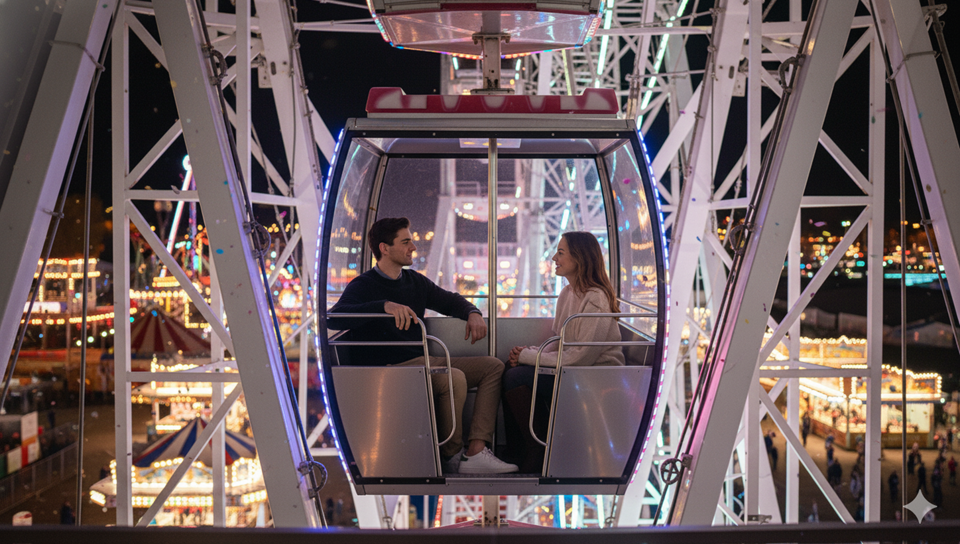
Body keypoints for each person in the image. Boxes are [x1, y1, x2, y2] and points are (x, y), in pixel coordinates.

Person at [328, 217, 517, 474]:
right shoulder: (364, 285)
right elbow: (334, 317)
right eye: (405, 242)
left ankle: (476, 450)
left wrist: (472, 312)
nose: (413, 247)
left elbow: (449, 300)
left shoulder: (414, 281)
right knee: (453, 378)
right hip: (390, 368)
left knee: (492, 367)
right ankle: (452, 455)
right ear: (384, 248)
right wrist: (383, 306)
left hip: (422, 362)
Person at [501, 232, 625, 473]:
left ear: (579, 257)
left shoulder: (596, 299)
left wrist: (529, 357)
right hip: (573, 371)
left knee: (517, 377)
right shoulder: (567, 293)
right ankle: (520, 449)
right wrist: (528, 353)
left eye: (560, 252)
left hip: (594, 376)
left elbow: (582, 357)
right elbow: (560, 341)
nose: (554, 258)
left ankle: (537, 449)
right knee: (509, 368)